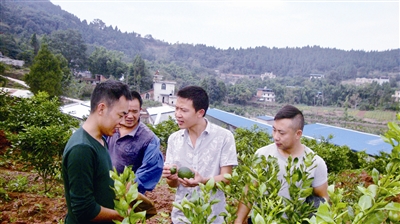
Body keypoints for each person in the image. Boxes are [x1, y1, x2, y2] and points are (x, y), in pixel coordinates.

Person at [235, 104, 329, 223]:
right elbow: (249, 192)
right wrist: (238, 220)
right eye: (274, 130)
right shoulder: (262, 155)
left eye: (281, 133)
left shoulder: (315, 163)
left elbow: (323, 199)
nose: (275, 137)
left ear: (298, 134)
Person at [162, 86, 238, 224]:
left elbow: (227, 178)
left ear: (200, 112)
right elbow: (172, 184)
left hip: (212, 217)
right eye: (177, 108)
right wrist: (171, 177)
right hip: (182, 217)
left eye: (184, 110)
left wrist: (203, 181)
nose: (178, 114)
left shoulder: (224, 137)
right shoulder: (174, 139)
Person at [62, 80, 132, 224]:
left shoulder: (100, 139)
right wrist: (121, 214)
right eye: (120, 115)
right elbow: (84, 209)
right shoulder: (82, 149)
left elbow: (100, 181)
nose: (123, 122)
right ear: (101, 109)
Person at [107, 90, 164, 194]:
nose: (130, 116)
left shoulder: (149, 139)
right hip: (103, 190)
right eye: (126, 111)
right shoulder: (109, 128)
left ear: (140, 110)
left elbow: (149, 170)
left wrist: (127, 188)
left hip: (128, 197)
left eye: (134, 111)